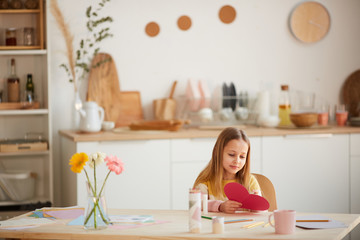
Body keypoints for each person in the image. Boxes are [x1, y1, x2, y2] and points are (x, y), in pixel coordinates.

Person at [193, 127, 261, 213]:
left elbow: (261, 213)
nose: (237, 161)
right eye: (232, 154)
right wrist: (220, 206)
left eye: (242, 156)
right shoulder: (205, 182)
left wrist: (257, 206)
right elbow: (196, 205)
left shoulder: (250, 181)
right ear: (218, 153)